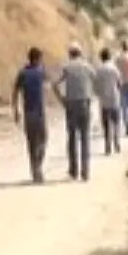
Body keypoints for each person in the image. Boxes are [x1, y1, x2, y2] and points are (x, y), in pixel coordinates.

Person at [51, 41, 96, 181]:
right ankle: (85, 171)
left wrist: (61, 100)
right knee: (85, 138)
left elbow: (54, 84)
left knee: (72, 138)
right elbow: (95, 79)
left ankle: (73, 170)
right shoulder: (87, 67)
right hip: (84, 103)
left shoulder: (66, 67)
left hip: (71, 105)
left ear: (70, 54)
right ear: (80, 53)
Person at [11, 46, 48, 183]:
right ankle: (37, 168)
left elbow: (15, 93)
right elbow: (49, 85)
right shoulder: (40, 71)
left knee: (33, 142)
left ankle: (36, 168)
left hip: (29, 112)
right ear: (38, 59)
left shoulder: (23, 73)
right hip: (38, 112)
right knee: (42, 139)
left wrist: (16, 110)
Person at [95, 47, 122, 156]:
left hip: (104, 100)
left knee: (106, 124)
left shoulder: (99, 70)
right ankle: (116, 142)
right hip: (114, 98)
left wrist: (99, 94)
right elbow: (119, 82)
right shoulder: (114, 68)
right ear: (109, 56)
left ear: (101, 57)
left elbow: (96, 86)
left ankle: (107, 146)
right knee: (116, 122)